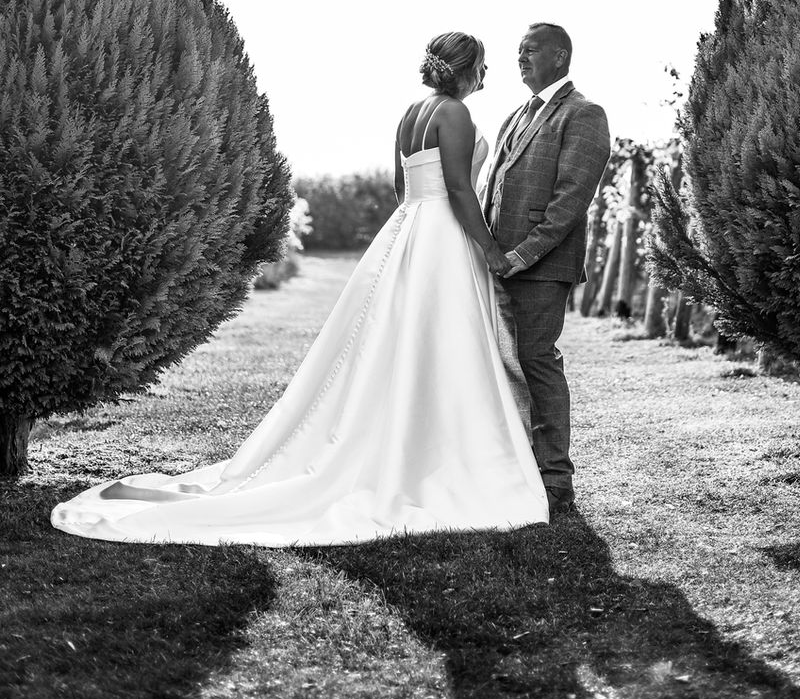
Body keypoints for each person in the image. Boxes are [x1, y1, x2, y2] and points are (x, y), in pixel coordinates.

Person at [51, 32, 548, 546]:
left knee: (394, 341)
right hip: (443, 235)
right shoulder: (457, 115)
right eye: (484, 65)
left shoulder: (411, 112)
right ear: (466, 69)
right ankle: (442, 454)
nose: (488, 74)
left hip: (409, 229)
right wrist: (489, 250)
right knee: (444, 342)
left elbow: (404, 190)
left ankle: (403, 438)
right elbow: (462, 189)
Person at [483, 23, 610, 518]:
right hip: (499, 262)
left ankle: (555, 480)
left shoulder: (584, 114)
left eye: (530, 50)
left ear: (560, 57)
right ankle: (516, 468)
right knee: (505, 366)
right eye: (517, 51)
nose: (520, 58)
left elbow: (569, 202)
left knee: (537, 362)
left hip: (539, 266)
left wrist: (522, 255)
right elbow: (494, 187)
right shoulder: (516, 115)